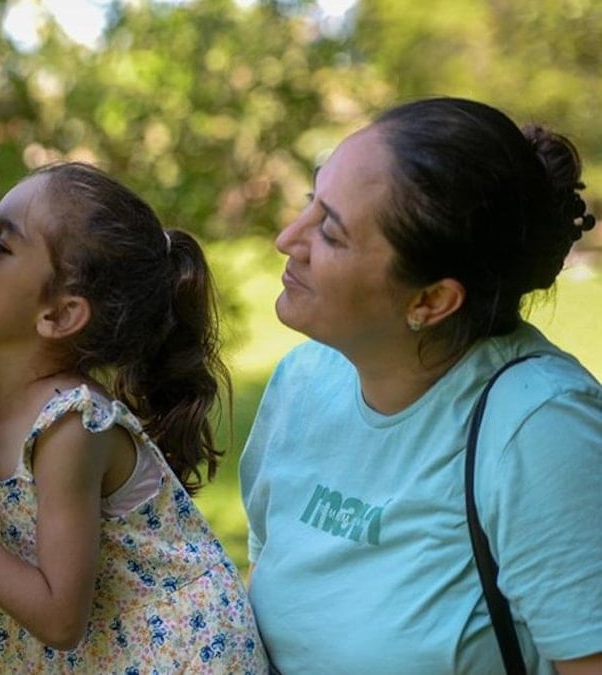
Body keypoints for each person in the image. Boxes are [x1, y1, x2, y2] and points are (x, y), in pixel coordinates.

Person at [239, 96, 602, 673]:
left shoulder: (541, 431)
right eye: (312, 200)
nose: (289, 238)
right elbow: (269, 591)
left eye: (330, 233)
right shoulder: (303, 382)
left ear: (431, 300)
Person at [0, 162, 268, 673]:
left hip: (172, 654)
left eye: (0, 247)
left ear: (58, 315)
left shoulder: (71, 424)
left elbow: (60, 619)